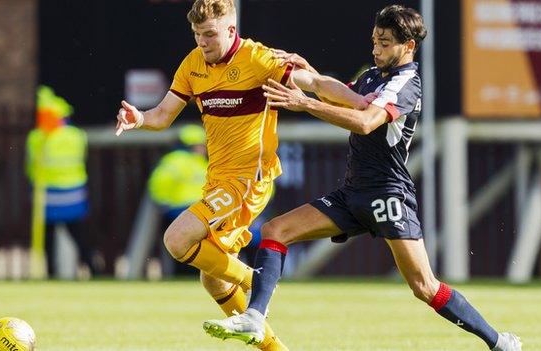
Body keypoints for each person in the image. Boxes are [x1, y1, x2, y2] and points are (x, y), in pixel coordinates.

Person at [203, 5, 522, 351]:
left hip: (388, 196)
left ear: (409, 46)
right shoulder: (372, 75)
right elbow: (341, 95)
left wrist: (305, 104)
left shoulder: (407, 83)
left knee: (424, 287)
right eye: (374, 41)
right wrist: (307, 70)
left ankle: (498, 342)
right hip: (353, 193)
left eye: (384, 43)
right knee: (275, 231)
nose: (376, 49)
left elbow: (366, 121)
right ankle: (254, 317)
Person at [114, 1, 374, 349]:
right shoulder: (193, 64)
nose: (202, 43)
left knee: (176, 239)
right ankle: (273, 346)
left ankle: (256, 280)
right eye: (196, 35)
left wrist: (361, 103)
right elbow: (162, 115)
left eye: (209, 35)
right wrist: (140, 119)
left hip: (248, 180)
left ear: (231, 31)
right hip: (218, 180)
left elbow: (314, 82)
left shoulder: (256, 59)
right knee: (214, 280)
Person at [26, 86, 102, 278]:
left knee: (55, 239)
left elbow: (30, 167)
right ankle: (93, 270)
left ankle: (54, 273)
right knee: (77, 236)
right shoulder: (75, 135)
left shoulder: (38, 137)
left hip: (50, 195)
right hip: (70, 194)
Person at [147, 124, 208, 276]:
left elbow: (157, 186)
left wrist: (164, 204)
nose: (204, 148)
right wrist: (166, 204)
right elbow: (159, 184)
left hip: (191, 212)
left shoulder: (195, 161)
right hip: (181, 211)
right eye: (201, 145)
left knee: (184, 251)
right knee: (185, 252)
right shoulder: (177, 160)